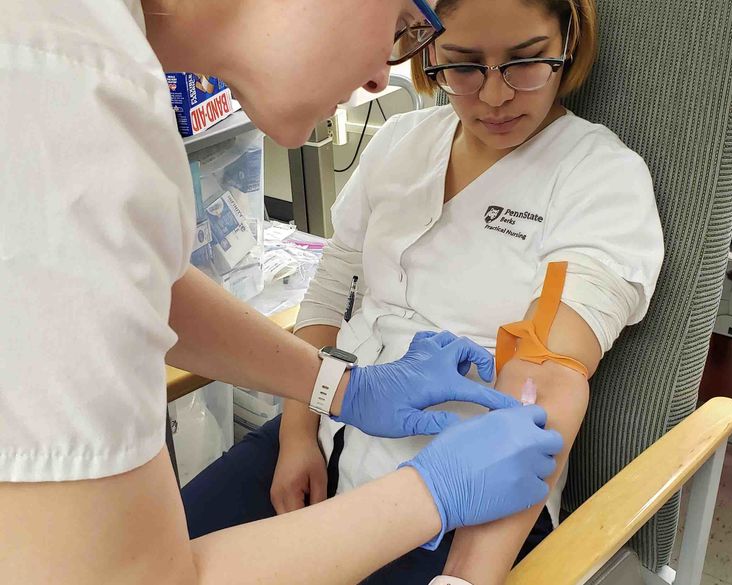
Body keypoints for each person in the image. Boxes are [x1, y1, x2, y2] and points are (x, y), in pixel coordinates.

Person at [0, 1, 566, 584]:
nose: (380, 74)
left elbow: (144, 287)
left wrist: (341, 387)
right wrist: (432, 496)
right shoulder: (60, 94)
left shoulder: (73, 57)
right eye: (400, 20)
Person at [181, 0, 665, 584]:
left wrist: (463, 579)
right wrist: (296, 433)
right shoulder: (401, 141)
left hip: (477, 493)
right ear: (426, 50)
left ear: (570, 42)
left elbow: (551, 375)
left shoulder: (600, 177)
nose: (494, 96)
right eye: (462, 66)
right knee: (168, 548)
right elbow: (332, 287)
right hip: (330, 424)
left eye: (527, 62)